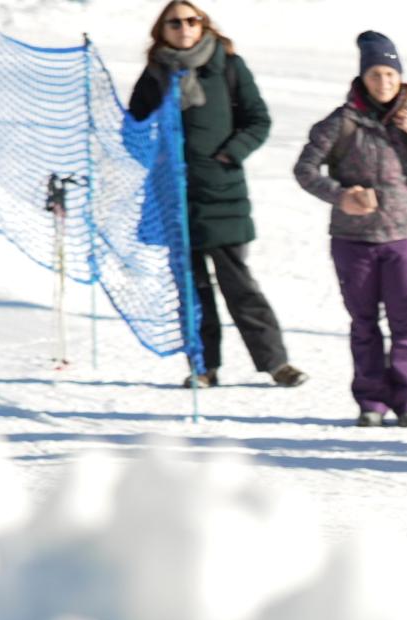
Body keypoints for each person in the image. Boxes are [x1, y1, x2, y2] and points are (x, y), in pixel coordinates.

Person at [128, 0, 306, 389]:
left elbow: (258, 119)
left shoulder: (227, 65)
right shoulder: (156, 72)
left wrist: (230, 155)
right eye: (175, 23)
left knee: (239, 286)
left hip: (222, 192)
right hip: (174, 198)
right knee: (192, 289)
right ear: (163, 30)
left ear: (203, 24)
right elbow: (133, 131)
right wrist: (157, 153)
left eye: (192, 20)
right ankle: (204, 368)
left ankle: (277, 364)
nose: (184, 27)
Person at [294, 31, 407, 427]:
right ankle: (371, 401)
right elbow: (304, 170)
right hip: (352, 239)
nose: (383, 82)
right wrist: (341, 195)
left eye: (390, 73)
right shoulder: (341, 122)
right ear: (362, 78)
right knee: (364, 323)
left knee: (406, 322)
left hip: (401, 237)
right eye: (375, 75)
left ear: (400, 77)